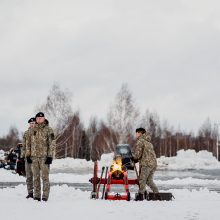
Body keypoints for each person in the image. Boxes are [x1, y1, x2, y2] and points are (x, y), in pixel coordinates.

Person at [26, 112, 55, 202]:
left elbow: (52, 144)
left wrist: (50, 156)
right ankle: (37, 196)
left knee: (45, 177)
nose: (39, 119)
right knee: (35, 177)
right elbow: (28, 144)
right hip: (34, 157)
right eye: (37, 118)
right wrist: (28, 155)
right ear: (36, 119)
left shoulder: (48, 129)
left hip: (44, 157)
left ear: (44, 119)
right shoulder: (32, 130)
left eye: (41, 118)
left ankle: (45, 196)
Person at [132, 128, 159, 201]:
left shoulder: (141, 141)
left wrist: (134, 159)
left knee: (142, 180)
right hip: (153, 164)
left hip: (146, 164)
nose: (136, 135)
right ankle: (157, 194)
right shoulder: (149, 142)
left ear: (140, 133)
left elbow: (138, 154)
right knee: (149, 180)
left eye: (136, 133)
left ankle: (140, 196)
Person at [21, 117, 36, 198]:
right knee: (29, 176)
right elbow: (24, 146)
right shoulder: (26, 133)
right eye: (31, 123)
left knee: (36, 176)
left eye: (33, 123)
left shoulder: (38, 132)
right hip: (28, 157)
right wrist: (23, 156)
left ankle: (37, 193)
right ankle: (30, 193)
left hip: (37, 158)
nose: (32, 124)